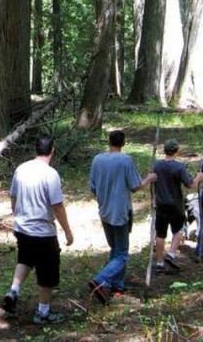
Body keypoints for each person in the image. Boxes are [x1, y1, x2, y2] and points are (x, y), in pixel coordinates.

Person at [2, 136, 74, 324]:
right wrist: (67, 231)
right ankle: (43, 313)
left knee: (25, 259)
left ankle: (14, 291)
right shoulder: (50, 174)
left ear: (36, 150)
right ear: (52, 151)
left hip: (22, 228)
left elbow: (13, 196)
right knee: (47, 272)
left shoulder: (21, 169)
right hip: (43, 232)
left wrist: (16, 216)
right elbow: (57, 206)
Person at [87, 130, 157, 305]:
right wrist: (148, 179)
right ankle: (101, 280)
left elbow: (93, 187)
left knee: (115, 249)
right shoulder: (125, 160)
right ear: (123, 143)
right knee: (122, 254)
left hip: (104, 211)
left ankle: (116, 285)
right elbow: (134, 185)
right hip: (120, 213)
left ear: (109, 142)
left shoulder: (97, 160)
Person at [152, 140, 203, 272]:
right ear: (176, 151)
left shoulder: (157, 165)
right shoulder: (179, 167)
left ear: (165, 151)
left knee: (160, 234)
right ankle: (171, 254)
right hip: (175, 205)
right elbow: (190, 185)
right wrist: (199, 177)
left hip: (160, 204)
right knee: (179, 229)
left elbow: (153, 181)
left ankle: (159, 263)